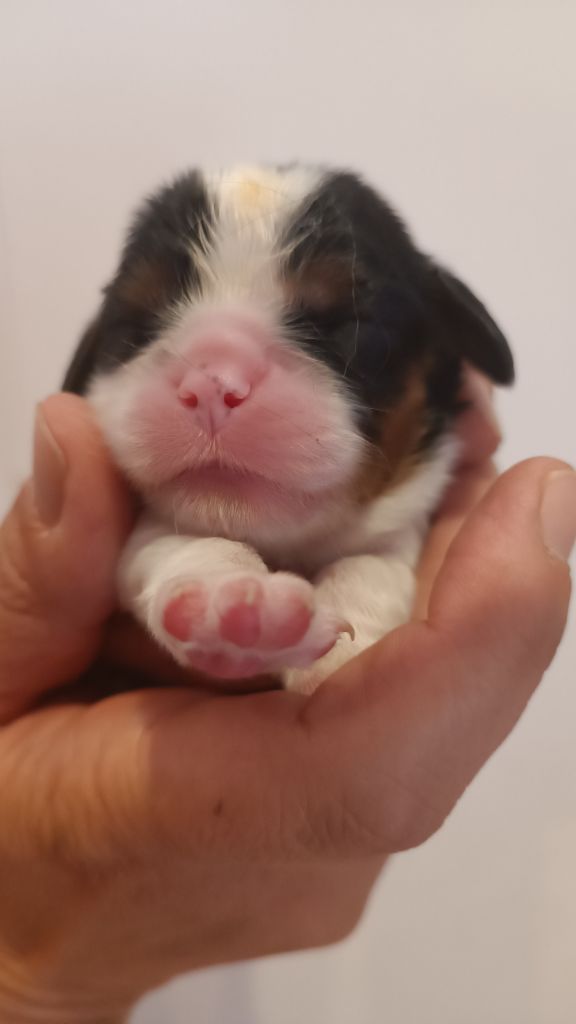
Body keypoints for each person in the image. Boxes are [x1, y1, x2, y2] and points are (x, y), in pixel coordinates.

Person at [0, 374, 573, 1024]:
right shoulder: (161, 490)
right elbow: (153, 552)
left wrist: (45, 989)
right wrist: (28, 981)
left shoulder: (393, 499)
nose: (215, 386)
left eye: (335, 343)